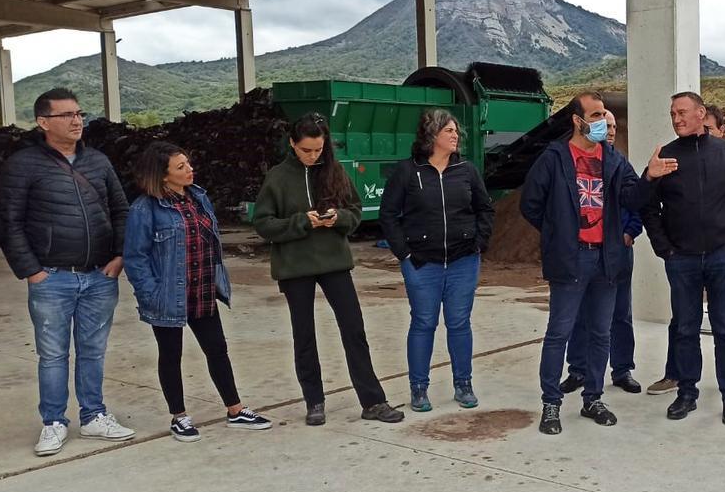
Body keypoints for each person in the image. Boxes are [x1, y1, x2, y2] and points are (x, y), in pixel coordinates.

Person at [521, 92, 672, 435]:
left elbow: (633, 198)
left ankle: (593, 397)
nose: (603, 121)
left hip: (607, 261)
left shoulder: (614, 160)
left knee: (601, 333)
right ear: (577, 121)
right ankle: (551, 403)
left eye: (604, 114)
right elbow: (531, 204)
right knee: (559, 332)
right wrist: (557, 234)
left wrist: (650, 177)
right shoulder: (554, 158)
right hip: (570, 260)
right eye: (596, 115)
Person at [0, 88, 136, 456]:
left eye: (79, 113)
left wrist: (119, 256)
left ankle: (93, 416)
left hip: (98, 277)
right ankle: (54, 422)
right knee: (53, 354)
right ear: (43, 122)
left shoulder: (99, 162)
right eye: (67, 115)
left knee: (92, 351)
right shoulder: (24, 164)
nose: (77, 121)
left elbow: (122, 211)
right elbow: (9, 223)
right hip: (52, 278)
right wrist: (32, 272)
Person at [254, 113, 404, 426]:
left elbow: (356, 211)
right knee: (304, 335)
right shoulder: (278, 178)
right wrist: (301, 222)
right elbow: (263, 223)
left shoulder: (335, 172)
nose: (312, 156)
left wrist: (339, 219)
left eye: (318, 150)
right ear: (292, 144)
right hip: (295, 267)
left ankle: (373, 401)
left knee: (354, 330)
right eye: (306, 150)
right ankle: (314, 401)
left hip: (335, 263)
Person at [123, 142, 272, 442]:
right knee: (171, 355)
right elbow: (135, 257)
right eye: (181, 167)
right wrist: (150, 293)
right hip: (168, 295)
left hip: (202, 289)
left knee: (217, 349)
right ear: (163, 176)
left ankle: (236, 409)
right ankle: (179, 416)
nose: (190, 169)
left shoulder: (198, 198)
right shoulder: (144, 209)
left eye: (188, 163)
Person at [637, 92, 725, 426]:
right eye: (672, 114)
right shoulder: (666, 157)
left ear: (701, 114)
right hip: (683, 260)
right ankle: (686, 393)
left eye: (683, 112)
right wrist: (665, 248)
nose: (676, 119)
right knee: (686, 329)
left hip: (723, 257)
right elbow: (643, 204)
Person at [379, 109, 494, 413]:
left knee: (459, 323)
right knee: (423, 323)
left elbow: (485, 209)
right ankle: (419, 388)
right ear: (432, 135)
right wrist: (404, 253)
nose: (456, 136)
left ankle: (463, 384)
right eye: (449, 131)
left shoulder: (467, 171)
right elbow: (388, 215)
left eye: (456, 131)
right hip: (421, 263)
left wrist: (478, 243)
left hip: (463, 261)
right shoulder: (407, 172)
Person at [559, 110, 645, 395]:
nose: (609, 131)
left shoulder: (620, 164)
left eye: (613, 127)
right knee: (582, 314)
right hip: (588, 252)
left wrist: (629, 232)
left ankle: (622, 370)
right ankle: (578, 370)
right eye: (604, 125)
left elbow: (637, 203)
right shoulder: (581, 163)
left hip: (619, 250)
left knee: (621, 313)